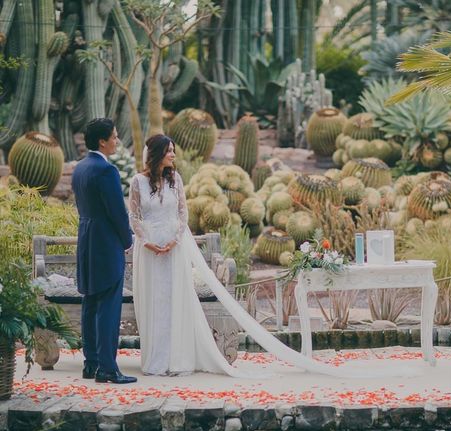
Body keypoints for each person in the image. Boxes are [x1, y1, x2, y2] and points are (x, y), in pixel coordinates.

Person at [129, 134, 423, 379]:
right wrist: (149, 242)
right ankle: (156, 360)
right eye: (168, 153)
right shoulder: (137, 183)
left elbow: (183, 213)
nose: (173, 157)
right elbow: (135, 216)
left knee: (175, 302)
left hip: (174, 247)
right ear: (155, 154)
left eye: (174, 152)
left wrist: (174, 239)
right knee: (156, 302)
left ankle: (176, 360)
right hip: (150, 249)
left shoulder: (175, 179)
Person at [72, 118, 136, 384]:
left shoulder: (80, 168)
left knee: (91, 302)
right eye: (114, 136)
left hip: (86, 239)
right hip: (106, 242)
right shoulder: (106, 171)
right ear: (102, 141)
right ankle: (108, 369)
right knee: (109, 306)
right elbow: (117, 212)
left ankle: (92, 364)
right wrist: (127, 239)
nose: (117, 141)